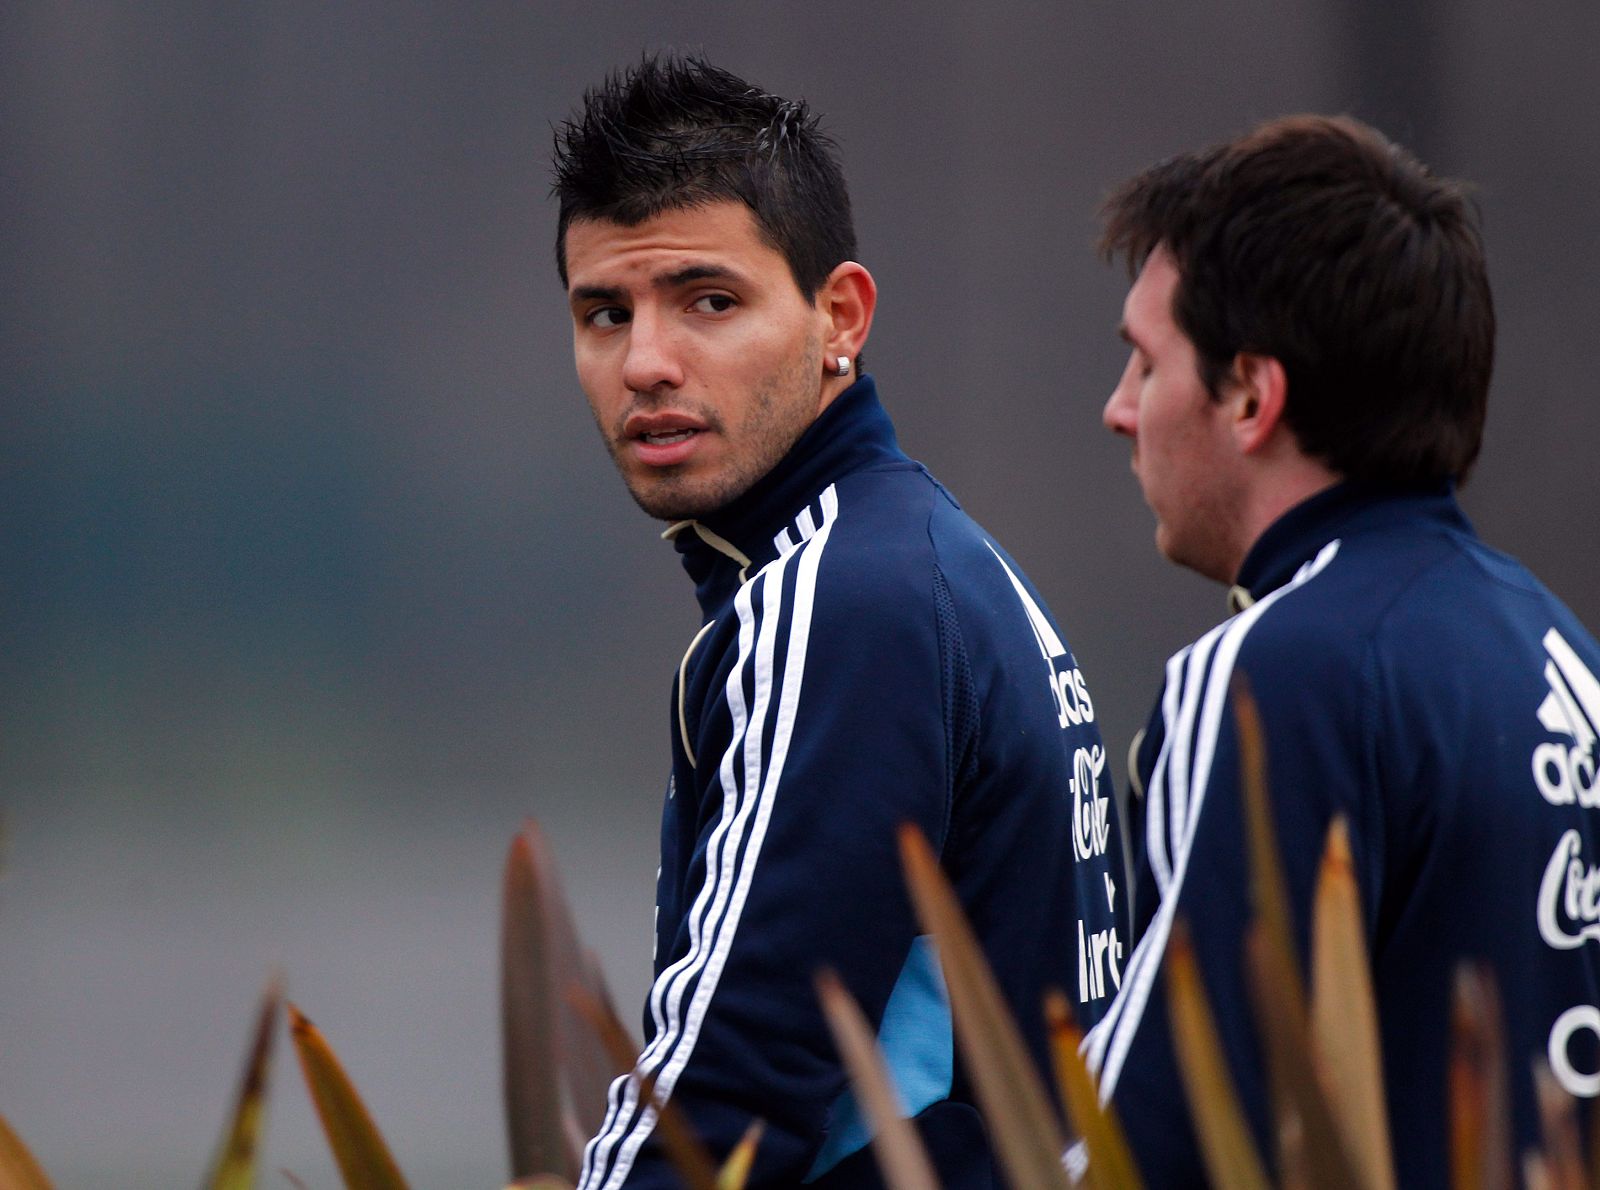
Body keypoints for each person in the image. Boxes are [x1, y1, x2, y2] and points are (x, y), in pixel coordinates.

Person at [552, 55, 1124, 1187]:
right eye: (603, 313)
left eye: (708, 300)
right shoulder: (919, 556)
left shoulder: (841, 599)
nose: (646, 362)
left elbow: (730, 1084)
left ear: (839, 316)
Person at [1084, 113, 1600, 1184]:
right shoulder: (1559, 650)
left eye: (1145, 362)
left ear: (1251, 396)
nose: (1118, 410)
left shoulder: (1279, 674)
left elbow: (1166, 1124)